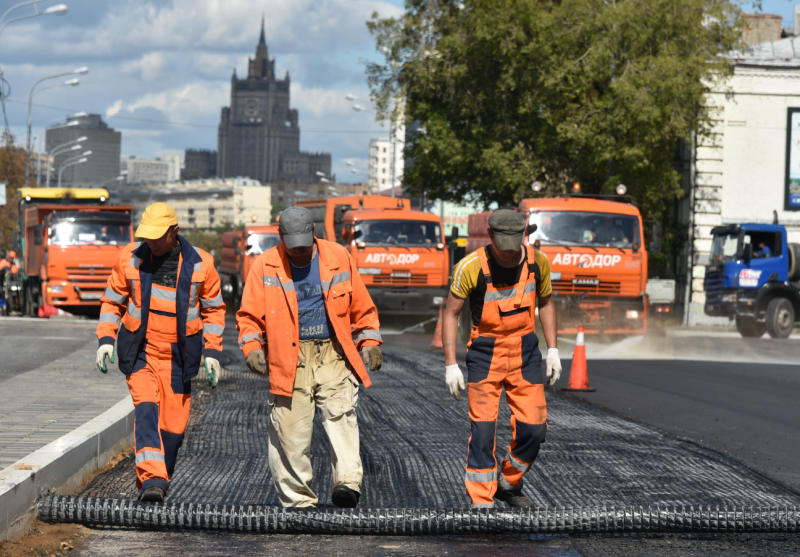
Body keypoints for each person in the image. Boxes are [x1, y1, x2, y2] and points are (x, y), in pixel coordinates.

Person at [236, 206, 383, 508]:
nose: (300, 253)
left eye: (305, 246)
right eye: (294, 248)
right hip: (290, 357)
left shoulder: (338, 257)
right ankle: (298, 501)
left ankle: (347, 484)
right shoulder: (265, 266)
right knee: (289, 431)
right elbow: (249, 316)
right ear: (281, 237)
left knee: (341, 416)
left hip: (332, 352)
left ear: (314, 232)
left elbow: (361, 305)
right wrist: (251, 348)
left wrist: (369, 339)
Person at [95, 202, 225, 503]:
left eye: (157, 236)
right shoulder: (130, 258)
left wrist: (213, 354)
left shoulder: (201, 264)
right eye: (147, 236)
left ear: (174, 232)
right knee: (146, 409)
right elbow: (112, 302)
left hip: (179, 360)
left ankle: (156, 482)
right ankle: (152, 477)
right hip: (141, 352)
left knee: (173, 430)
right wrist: (105, 338)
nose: (150, 243)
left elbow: (215, 311)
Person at [441, 209, 562, 508]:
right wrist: (450, 364)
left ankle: (508, 482)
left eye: (514, 247)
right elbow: (451, 313)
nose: (508, 255)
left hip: (525, 351)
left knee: (535, 428)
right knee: (483, 430)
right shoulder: (469, 267)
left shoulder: (538, 263)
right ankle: (481, 501)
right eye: (502, 248)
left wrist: (554, 349)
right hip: (485, 352)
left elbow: (546, 303)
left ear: (524, 236)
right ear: (491, 237)